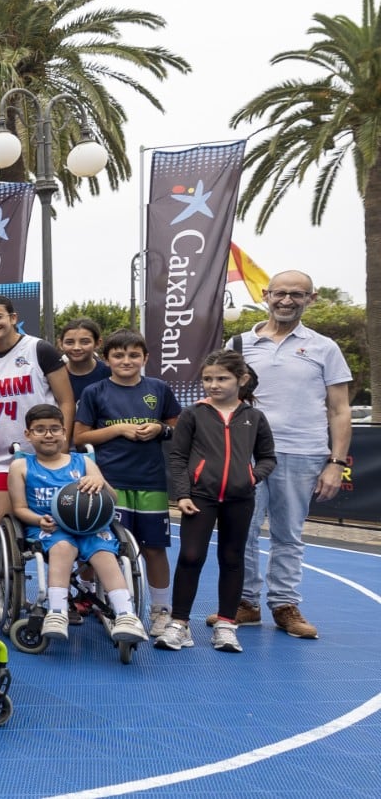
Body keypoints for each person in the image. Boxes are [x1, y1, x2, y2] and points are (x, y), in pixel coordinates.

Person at [229, 270, 350, 638]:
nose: (287, 300)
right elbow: (221, 396)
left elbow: (340, 409)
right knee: (242, 532)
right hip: (246, 453)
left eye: (297, 294)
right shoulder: (238, 344)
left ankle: (284, 605)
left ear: (311, 299)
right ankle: (245, 604)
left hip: (303, 452)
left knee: (288, 535)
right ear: (266, 294)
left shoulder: (325, 347)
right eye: (280, 292)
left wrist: (336, 463)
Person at [160, 349, 275, 653]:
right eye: (208, 378)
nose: (213, 384)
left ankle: (226, 625)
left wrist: (251, 477)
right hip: (200, 498)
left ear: (242, 379)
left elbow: (267, 458)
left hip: (240, 499)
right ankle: (179, 624)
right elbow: (178, 457)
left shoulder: (254, 417)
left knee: (232, 559)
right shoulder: (193, 413)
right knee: (191, 557)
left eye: (222, 378)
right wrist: (183, 493)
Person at [73, 329, 181, 637]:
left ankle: (160, 610)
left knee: (154, 548)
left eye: (134, 355)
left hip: (151, 482)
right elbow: (80, 438)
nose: (126, 360)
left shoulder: (158, 389)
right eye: (118, 355)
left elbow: (177, 426)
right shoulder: (96, 392)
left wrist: (159, 428)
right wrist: (119, 428)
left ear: (145, 358)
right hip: (107, 482)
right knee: (101, 545)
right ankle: (88, 593)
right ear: (107, 359)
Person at [7, 403, 146, 644]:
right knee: (63, 547)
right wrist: (39, 519)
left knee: (103, 552)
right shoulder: (21, 466)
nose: (48, 434)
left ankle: (126, 614)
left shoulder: (83, 463)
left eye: (54, 429)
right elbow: (19, 508)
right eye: (40, 429)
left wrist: (99, 482)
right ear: (28, 435)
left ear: (64, 432)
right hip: (48, 528)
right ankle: (58, 611)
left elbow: (112, 499)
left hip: (90, 526)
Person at [0, 295, 72, 530]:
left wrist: (64, 445)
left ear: (13, 318)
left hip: (44, 453)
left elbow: (66, 400)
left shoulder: (39, 349)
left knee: (62, 524)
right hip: (3, 457)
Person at [59, 318, 111, 413]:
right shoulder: (53, 376)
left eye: (85, 342)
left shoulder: (110, 373)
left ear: (98, 343)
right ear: (60, 344)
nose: (76, 347)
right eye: (69, 342)